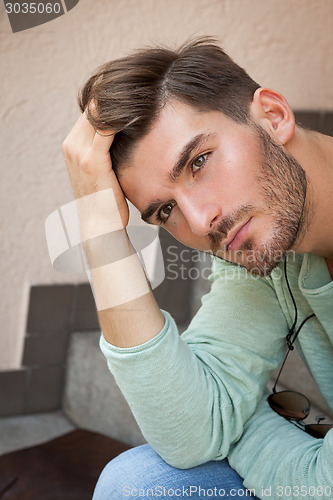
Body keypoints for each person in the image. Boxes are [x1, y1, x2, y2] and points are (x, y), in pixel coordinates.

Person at [62, 38, 333, 499]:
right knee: (137, 487)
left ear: (274, 115)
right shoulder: (263, 245)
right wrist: (98, 224)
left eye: (199, 162)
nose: (200, 219)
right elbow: (190, 432)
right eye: (164, 210)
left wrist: (241, 426)